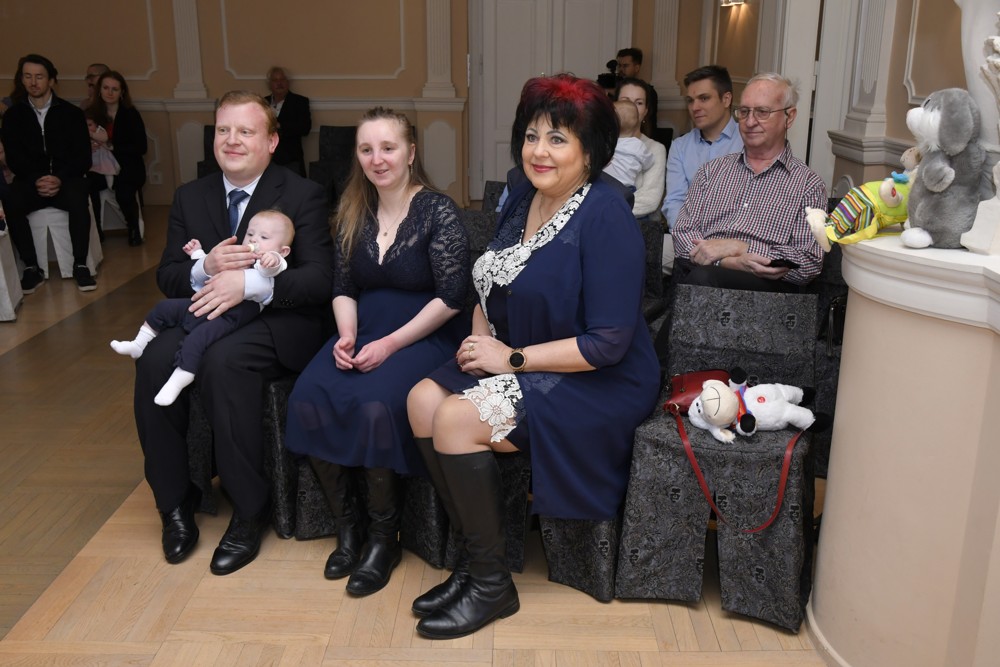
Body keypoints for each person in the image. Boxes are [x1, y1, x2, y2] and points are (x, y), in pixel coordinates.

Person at [405, 74, 660, 640]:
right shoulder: (522, 192)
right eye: (531, 135)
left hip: (595, 376)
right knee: (422, 400)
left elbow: (608, 343)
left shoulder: (606, 216)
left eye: (558, 139)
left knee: (456, 419)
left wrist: (510, 359)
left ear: (590, 151)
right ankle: (476, 560)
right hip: (516, 349)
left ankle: (492, 586)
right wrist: (479, 341)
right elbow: (490, 277)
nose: (539, 151)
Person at [132, 90, 333, 576]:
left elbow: (319, 280)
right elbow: (168, 275)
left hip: (278, 321)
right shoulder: (190, 195)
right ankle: (174, 502)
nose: (232, 140)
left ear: (272, 141)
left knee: (224, 362)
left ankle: (249, 508)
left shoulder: (303, 194)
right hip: (206, 316)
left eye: (246, 131)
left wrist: (249, 284)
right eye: (224, 130)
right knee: (154, 359)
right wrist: (204, 269)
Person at [284, 107, 469, 597]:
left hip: (424, 334)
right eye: (366, 149)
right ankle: (349, 528)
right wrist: (347, 335)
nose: (377, 158)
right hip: (363, 328)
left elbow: (452, 297)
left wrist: (389, 344)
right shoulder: (353, 209)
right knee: (308, 396)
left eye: (388, 147)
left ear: (410, 153)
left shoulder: (438, 210)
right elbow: (343, 287)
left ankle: (384, 539)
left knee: (374, 405)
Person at [112, 209, 295, 406]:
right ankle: (138, 345)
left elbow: (274, 268)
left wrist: (272, 260)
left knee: (198, 338)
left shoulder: (269, 263)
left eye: (264, 237)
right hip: (205, 302)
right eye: (250, 234)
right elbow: (213, 265)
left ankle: (179, 379)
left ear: (283, 251)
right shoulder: (238, 255)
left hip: (233, 315)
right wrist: (198, 254)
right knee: (164, 308)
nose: (254, 240)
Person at [671, 72, 827, 292]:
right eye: (744, 112)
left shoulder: (808, 185)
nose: (750, 122)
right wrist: (728, 262)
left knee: (702, 281)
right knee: (701, 278)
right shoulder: (710, 172)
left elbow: (809, 262)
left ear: (789, 117)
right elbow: (682, 234)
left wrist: (740, 247)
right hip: (702, 277)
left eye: (762, 112)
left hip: (764, 295)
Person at [1, 54, 94, 293]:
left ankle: (80, 264)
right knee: (12, 201)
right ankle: (32, 266)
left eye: (39, 77)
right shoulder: (13, 116)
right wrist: (37, 179)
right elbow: (14, 158)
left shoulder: (71, 113)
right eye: (28, 76)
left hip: (66, 178)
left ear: (51, 80)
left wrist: (58, 178)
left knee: (78, 198)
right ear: (22, 80)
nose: (33, 82)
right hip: (30, 180)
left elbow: (83, 158)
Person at [660, 65, 743, 274]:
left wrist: (722, 245)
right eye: (690, 100)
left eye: (704, 98)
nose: (695, 107)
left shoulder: (747, 141)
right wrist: (695, 241)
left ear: (726, 99)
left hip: (735, 242)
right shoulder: (680, 146)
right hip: (690, 240)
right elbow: (674, 201)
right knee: (640, 252)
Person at [89, 71, 147, 246]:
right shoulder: (91, 114)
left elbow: (141, 147)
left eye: (114, 89)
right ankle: (97, 232)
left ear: (122, 92)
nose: (109, 92)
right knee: (89, 188)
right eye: (106, 88)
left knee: (124, 192)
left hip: (127, 165)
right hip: (97, 165)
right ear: (99, 90)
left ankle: (133, 228)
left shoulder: (130, 114)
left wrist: (112, 147)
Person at [616, 79, 666, 221]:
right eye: (625, 101)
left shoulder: (655, 149)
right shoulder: (602, 144)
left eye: (639, 103)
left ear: (645, 111)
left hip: (637, 224)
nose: (631, 107)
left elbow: (650, 199)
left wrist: (607, 211)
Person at [264, 67, 311, 177]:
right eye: (275, 80)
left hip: (291, 159)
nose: (279, 83)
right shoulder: (263, 102)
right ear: (270, 84)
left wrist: (280, 125)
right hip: (266, 159)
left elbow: (305, 128)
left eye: (282, 79)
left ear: (288, 82)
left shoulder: (300, 102)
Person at [603, 99, 654, 190]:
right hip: (625, 188)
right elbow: (649, 163)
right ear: (636, 124)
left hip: (604, 184)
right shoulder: (638, 146)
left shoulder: (607, 143)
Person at [616, 48, 657, 136]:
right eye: (619, 66)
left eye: (625, 66)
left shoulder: (649, 91)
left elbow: (650, 123)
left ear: (637, 68)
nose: (621, 70)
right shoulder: (615, 88)